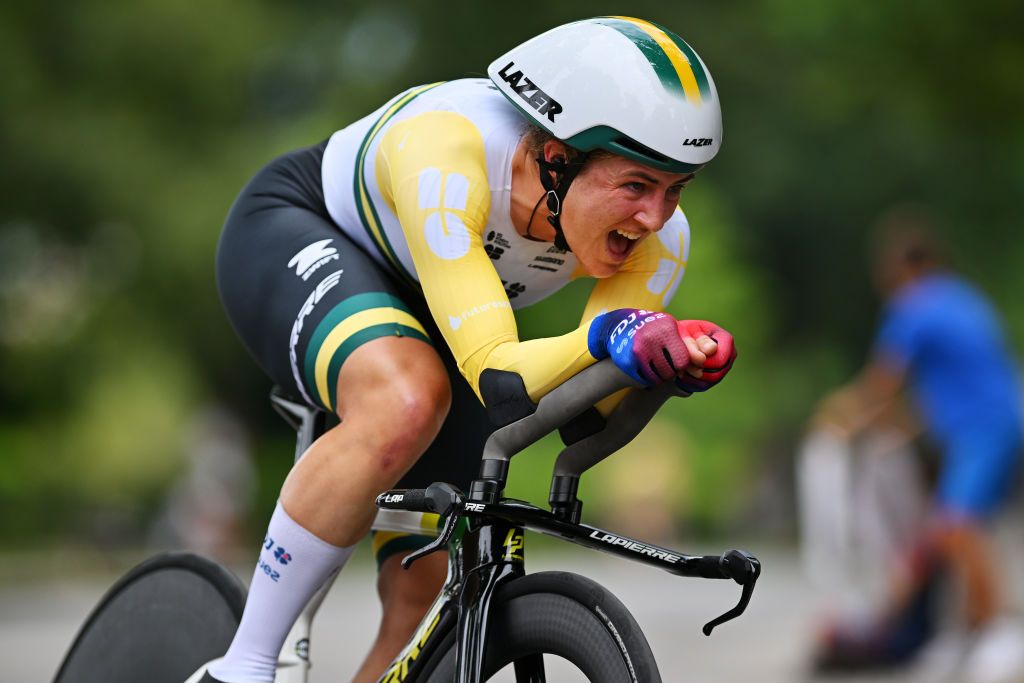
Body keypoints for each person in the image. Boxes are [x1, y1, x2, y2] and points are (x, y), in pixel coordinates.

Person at [205, 17, 738, 683]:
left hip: (449, 310)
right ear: (554, 155)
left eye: (674, 189)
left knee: (427, 592)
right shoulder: (448, 148)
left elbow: (580, 412)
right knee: (405, 398)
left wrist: (660, 370)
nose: (655, 218)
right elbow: (497, 371)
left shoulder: (659, 238)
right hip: (301, 229)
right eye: (634, 186)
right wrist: (610, 338)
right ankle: (242, 665)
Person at [812, 206, 1024, 682]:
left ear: (899, 267)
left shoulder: (916, 305)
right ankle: (969, 634)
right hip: (996, 420)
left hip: (983, 429)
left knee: (958, 527)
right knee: (947, 534)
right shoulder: (959, 297)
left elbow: (881, 384)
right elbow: (943, 388)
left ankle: (1002, 633)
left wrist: (838, 414)